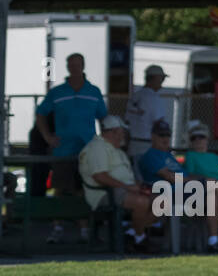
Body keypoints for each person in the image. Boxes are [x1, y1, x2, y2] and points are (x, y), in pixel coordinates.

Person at [35, 53, 108, 243]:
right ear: (67, 67)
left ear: (83, 66)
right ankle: (57, 228)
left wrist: (104, 141)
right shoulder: (57, 92)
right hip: (63, 151)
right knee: (60, 189)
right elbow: (41, 113)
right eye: (71, 65)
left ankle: (84, 230)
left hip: (87, 151)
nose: (74, 68)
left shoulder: (93, 91)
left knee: (84, 189)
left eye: (78, 64)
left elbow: (103, 117)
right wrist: (47, 137)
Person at [77, 115, 160, 253]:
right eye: (122, 132)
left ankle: (131, 234)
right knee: (141, 201)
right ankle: (139, 239)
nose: (123, 135)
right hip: (105, 193)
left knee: (163, 202)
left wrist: (139, 186)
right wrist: (128, 187)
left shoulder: (118, 150)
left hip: (125, 190)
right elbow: (100, 176)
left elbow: (128, 177)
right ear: (112, 132)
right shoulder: (97, 147)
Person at [174, 121, 218, 253]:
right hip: (199, 192)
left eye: (201, 137)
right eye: (194, 138)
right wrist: (208, 180)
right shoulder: (190, 156)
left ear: (207, 139)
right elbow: (191, 174)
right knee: (213, 190)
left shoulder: (213, 157)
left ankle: (215, 241)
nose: (198, 140)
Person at [125, 64, 171, 161]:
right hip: (149, 146)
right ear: (153, 78)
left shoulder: (135, 96)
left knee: (138, 172)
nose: (163, 81)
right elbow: (159, 125)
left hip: (133, 143)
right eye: (161, 78)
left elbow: (127, 122)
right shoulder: (153, 98)